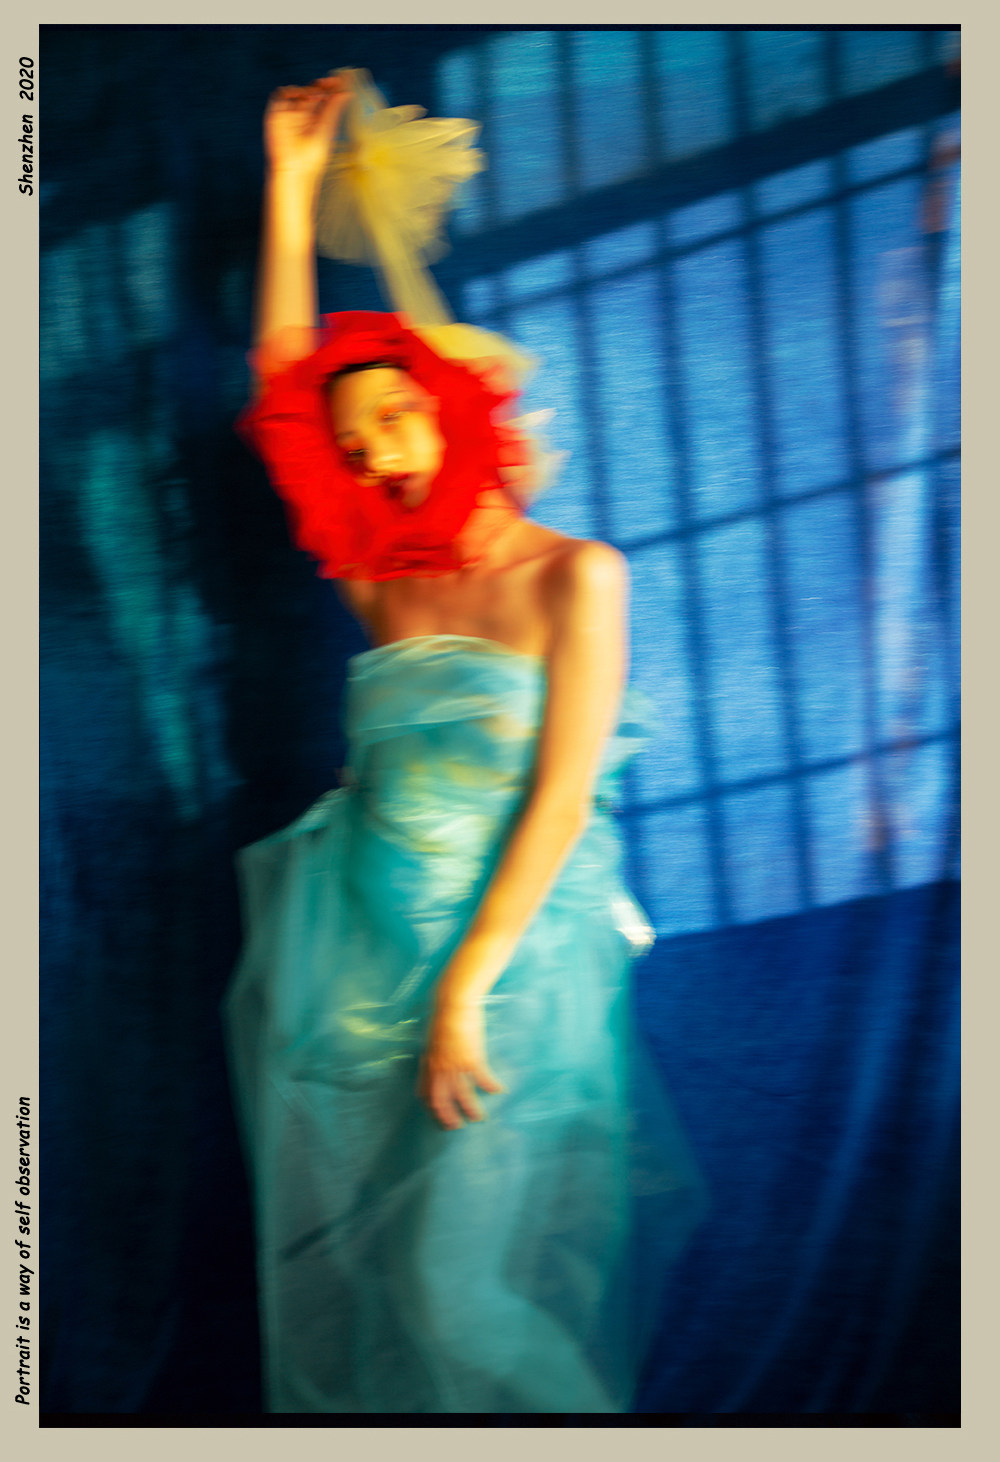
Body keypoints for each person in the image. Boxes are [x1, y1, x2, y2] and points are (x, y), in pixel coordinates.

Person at [223, 71, 703, 1415]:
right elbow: (284, 387)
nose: (377, 456)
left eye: (396, 416)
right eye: (353, 443)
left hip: (513, 967)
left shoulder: (578, 577)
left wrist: (467, 986)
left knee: (457, 1290)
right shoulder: (380, 583)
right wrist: (291, 187)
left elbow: (561, 801)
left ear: (457, 406)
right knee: (395, 1280)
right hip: (356, 956)